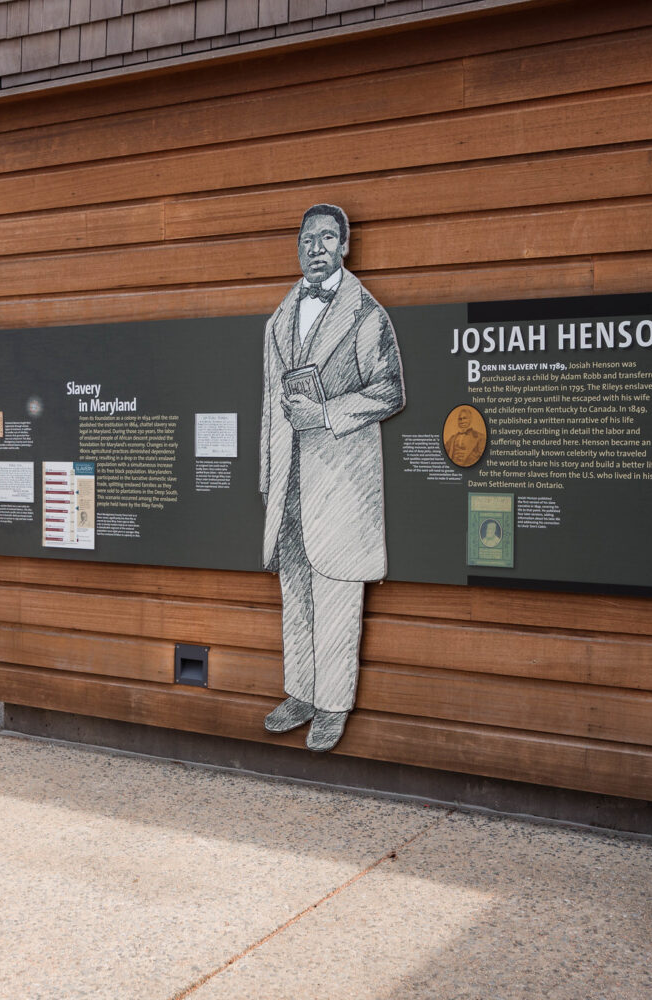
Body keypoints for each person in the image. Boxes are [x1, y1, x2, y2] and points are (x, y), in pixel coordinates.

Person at [259, 205, 405, 752]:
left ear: (344, 247)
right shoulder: (279, 319)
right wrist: (268, 480)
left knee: (338, 597)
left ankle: (333, 707)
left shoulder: (366, 316)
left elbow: (390, 391)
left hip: (342, 487)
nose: (315, 246)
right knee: (295, 593)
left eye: (327, 237)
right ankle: (300, 692)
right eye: (307, 238)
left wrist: (326, 415)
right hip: (291, 486)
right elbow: (271, 409)